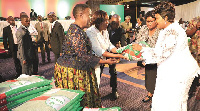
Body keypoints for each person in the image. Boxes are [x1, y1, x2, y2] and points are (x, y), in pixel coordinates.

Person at [133, 2, 199, 110]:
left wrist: (141, 50)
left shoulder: (171, 31)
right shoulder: (172, 28)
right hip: (175, 70)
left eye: (157, 18)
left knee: (170, 102)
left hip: (176, 74)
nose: (155, 21)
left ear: (166, 18)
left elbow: (160, 55)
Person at [54, 4, 116, 108]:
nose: (91, 18)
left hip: (78, 69)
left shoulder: (78, 30)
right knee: (80, 102)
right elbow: (84, 57)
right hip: (74, 72)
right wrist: (106, 61)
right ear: (80, 15)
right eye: (89, 15)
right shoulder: (75, 32)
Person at [86, 10, 127, 88]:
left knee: (99, 81)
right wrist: (119, 55)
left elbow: (108, 45)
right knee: (92, 84)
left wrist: (119, 51)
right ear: (99, 21)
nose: (108, 22)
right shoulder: (90, 31)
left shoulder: (104, 30)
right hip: (92, 62)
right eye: (106, 20)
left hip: (101, 59)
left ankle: (113, 90)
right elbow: (99, 51)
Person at [134, 10, 160, 103]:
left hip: (158, 59)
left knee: (158, 78)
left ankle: (157, 98)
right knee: (149, 77)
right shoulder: (144, 28)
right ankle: (150, 93)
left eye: (151, 21)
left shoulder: (160, 30)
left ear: (156, 21)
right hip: (146, 58)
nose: (148, 23)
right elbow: (138, 41)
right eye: (147, 21)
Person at [106, 14, 127, 100]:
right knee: (98, 70)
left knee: (113, 71)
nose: (115, 25)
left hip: (113, 51)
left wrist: (124, 51)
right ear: (110, 21)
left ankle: (114, 90)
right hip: (101, 51)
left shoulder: (121, 30)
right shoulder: (104, 27)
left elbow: (124, 42)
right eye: (113, 23)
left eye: (117, 23)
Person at [186, 16, 200, 98]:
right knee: (193, 70)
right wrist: (196, 27)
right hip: (193, 51)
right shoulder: (193, 20)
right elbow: (187, 33)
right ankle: (192, 88)